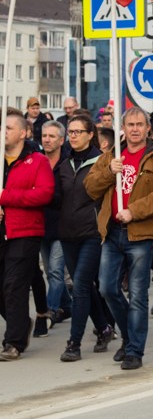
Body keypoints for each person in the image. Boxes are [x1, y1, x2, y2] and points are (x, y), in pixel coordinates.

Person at [85, 108, 153, 371]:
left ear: (148, 129)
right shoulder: (112, 155)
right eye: (130, 124)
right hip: (112, 232)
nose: (135, 129)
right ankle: (128, 336)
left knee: (137, 294)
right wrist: (107, 172)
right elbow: (90, 188)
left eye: (140, 124)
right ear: (123, 127)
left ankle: (134, 350)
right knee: (107, 288)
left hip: (141, 233)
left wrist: (134, 211)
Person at [54, 115, 114, 361]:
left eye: (79, 131)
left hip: (92, 233)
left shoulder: (101, 161)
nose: (74, 135)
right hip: (67, 234)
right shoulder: (63, 163)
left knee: (79, 286)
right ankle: (104, 328)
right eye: (71, 131)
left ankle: (74, 343)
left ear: (91, 134)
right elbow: (56, 198)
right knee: (85, 287)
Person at [0, 112, 55, 361]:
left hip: (24, 232)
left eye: (9, 127)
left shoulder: (37, 161)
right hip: (2, 232)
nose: (4, 131)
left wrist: (5, 197)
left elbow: (43, 194)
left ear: (23, 133)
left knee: (14, 285)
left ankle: (14, 342)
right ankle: (21, 323)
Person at [39, 120, 72, 333]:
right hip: (41, 224)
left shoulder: (67, 163)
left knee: (55, 271)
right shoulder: (37, 162)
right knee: (50, 272)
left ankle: (49, 312)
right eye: (44, 136)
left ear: (61, 140)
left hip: (62, 225)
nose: (47, 140)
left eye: (52, 136)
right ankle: (67, 305)